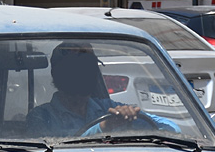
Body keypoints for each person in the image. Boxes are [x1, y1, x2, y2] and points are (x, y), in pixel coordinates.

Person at [27, 41, 174, 138]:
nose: (83, 73)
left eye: (88, 66)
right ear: (57, 73)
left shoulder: (108, 107)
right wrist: (105, 127)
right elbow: (53, 148)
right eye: (74, 67)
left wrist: (131, 116)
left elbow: (170, 128)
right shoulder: (41, 117)